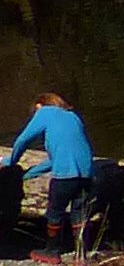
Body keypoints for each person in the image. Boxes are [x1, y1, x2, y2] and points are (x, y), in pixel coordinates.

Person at [10, 92, 94, 256]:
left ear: (39, 106)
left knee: (55, 213)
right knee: (79, 213)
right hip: (87, 173)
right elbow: (55, 160)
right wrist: (29, 174)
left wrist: (12, 164)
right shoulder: (73, 117)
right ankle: (81, 255)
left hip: (64, 177)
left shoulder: (45, 112)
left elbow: (23, 140)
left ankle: (52, 251)